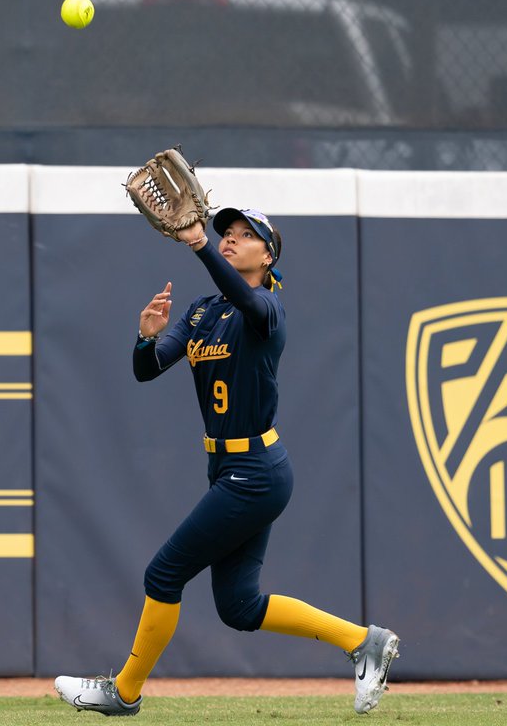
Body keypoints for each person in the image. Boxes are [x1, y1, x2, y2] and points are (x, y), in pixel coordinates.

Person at [53, 208, 399, 716]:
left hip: (255, 471)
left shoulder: (267, 308)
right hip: (229, 469)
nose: (231, 240)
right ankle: (364, 642)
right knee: (239, 606)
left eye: (244, 236)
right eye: (227, 235)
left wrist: (199, 247)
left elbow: (246, 299)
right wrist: (146, 336)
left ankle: (123, 692)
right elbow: (147, 370)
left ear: (268, 255)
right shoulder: (201, 311)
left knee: (163, 574)